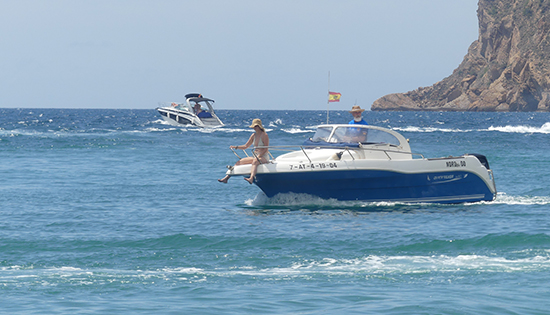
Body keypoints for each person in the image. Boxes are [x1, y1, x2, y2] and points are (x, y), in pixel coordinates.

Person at [218, 118, 270, 184]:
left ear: (259, 126)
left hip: (263, 157)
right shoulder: (253, 135)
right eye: (254, 126)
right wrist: (236, 147)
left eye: (256, 126)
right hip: (255, 156)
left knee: (255, 161)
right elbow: (246, 146)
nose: (254, 128)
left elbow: (266, 149)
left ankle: (251, 178)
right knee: (239, 162)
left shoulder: (264, 135)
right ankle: (226, 178)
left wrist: (259, 156)